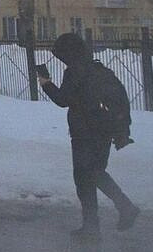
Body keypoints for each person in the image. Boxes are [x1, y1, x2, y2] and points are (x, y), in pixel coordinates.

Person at [36, 32, 138, 238]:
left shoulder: (75, 72)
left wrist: (46, 83)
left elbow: (63, 99)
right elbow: (120, 99)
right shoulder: (100, 70)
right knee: (96, 173)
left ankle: (98, 222)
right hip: (104, 132)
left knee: (84, 178)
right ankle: (115, 213)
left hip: (84, 133)